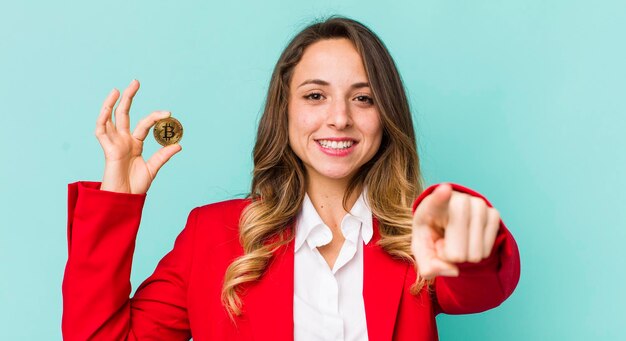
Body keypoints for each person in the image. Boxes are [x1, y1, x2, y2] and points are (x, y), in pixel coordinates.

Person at [62, 16, 520, 341]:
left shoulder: (417, 238)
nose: (338, 118)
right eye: (315, 95)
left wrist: (466, 229)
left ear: (387, 115)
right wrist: (115, 201)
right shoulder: (211, 237)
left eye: (363, 98)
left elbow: (482, 286)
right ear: (285, 111)